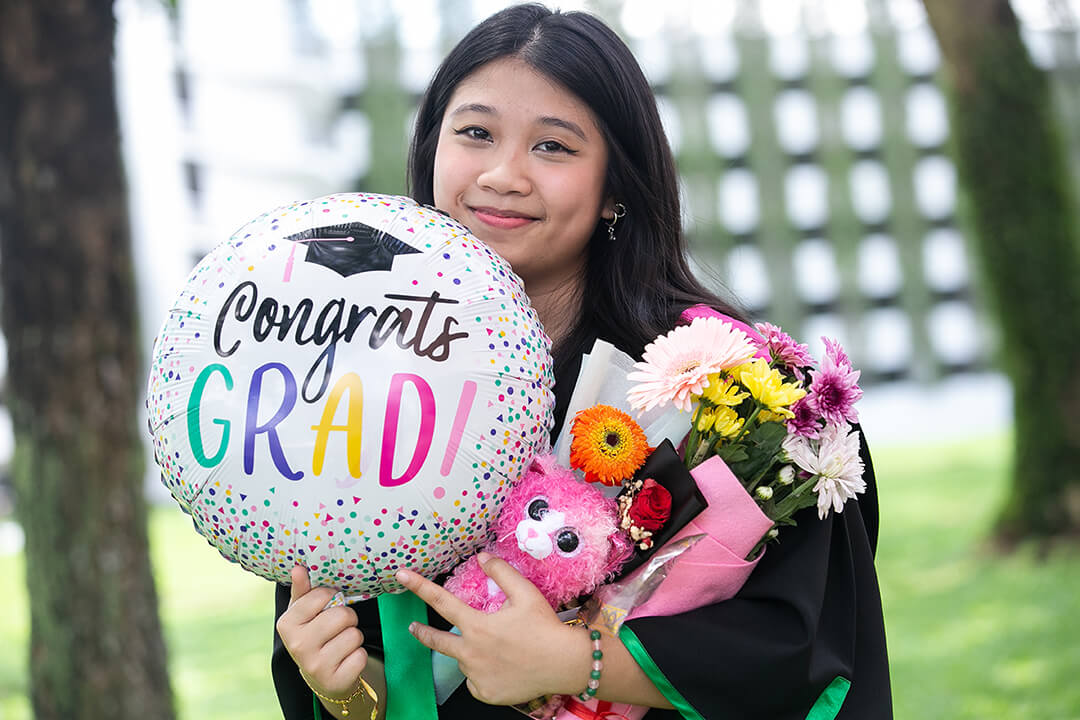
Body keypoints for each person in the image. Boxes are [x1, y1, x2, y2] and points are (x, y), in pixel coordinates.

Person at [273, 4, 892, 719]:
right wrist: (341, 684)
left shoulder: (725, 384)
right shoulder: (360, 377)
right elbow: (388, 691)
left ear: (616, 187)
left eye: (554, 147)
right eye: (475, 133)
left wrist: (577, 662)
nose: (503, 175)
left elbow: (809, 642)